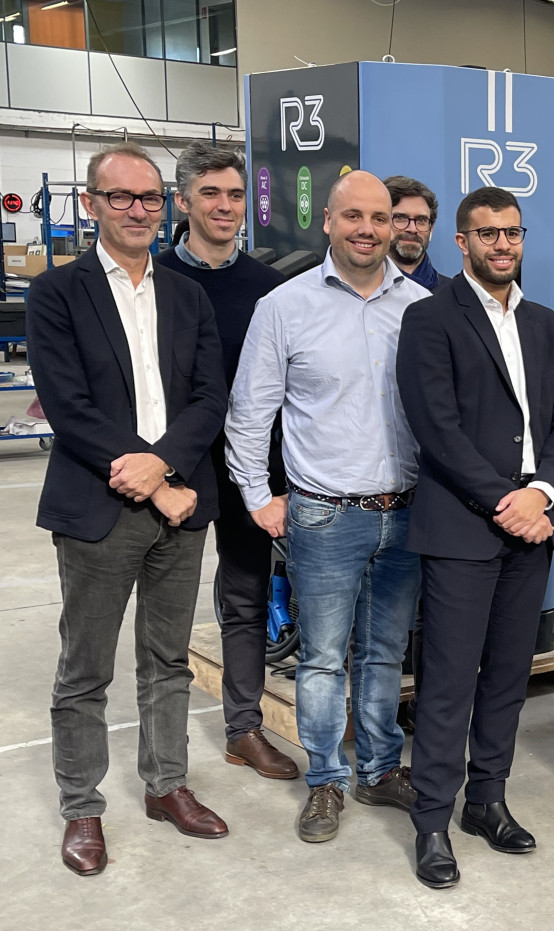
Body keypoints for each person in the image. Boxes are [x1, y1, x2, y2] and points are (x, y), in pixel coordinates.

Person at [29, 142, 229, 875]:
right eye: (121, 197)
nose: (138, 209)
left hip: (178, 510)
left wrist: (167, 466)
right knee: (85, 670)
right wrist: (152, 478)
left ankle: (166, 785)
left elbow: (210, 396)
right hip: (98, 510)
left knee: (166, 660)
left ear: (166, 204)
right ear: (92, 205)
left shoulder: (187, 295)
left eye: (149, 197)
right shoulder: (57, 295)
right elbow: (70, 408)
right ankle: (82, 805)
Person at [226, 170, 428, 843]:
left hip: (404, 513)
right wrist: (258, 497)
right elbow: (250, 413)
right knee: (320, 660)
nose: (369, 229)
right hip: (322, 515)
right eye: (354, 217)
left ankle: (375, 770)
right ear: (328, 223)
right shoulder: (284, 307)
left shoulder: (420, 308)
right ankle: (325, 781)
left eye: (381, 217)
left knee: (383, 653)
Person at [396, 186, 554, 888]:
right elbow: (435, 428)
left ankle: (488, 802)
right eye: (487, 234)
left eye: (512, 233)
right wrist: (506, 500)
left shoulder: (544, 323)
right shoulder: (429, 320)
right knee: (447, 684)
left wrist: (542, 494)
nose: (502, 244)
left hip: (531, 527)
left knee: (509, 677)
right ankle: (432, 823)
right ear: (462, 243)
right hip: (465, 529)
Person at [157, 141, 293, 780]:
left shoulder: (268, 289)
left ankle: (244, 729)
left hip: (248, 469)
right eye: (210, 193)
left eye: (235, 194)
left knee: (245, 596)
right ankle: (163, 758)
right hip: (172, 470)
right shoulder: (151, 281)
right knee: (167, 606)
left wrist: (274, 478)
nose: (224, 206)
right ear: (183, 201)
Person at [385, 175, 448, 290]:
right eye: (400, 218)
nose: (412, 229)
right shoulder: (362, 289)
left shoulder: (453, 294)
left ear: (431, 228)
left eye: (421, 220)